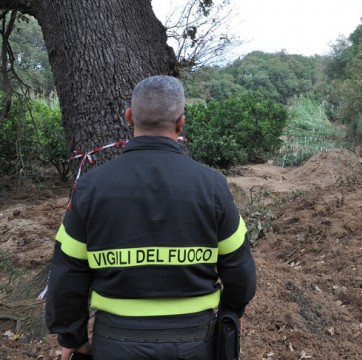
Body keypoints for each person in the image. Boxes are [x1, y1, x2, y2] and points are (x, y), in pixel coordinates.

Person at [45, 75, 257, 360]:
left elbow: (67, 273)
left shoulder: (90, 188)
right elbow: (240, 270)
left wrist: (72, 337)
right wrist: (232, 312)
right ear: (181, 123)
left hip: (115, 342)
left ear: (129, 117)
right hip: (194, 343)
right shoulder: (213, 186)